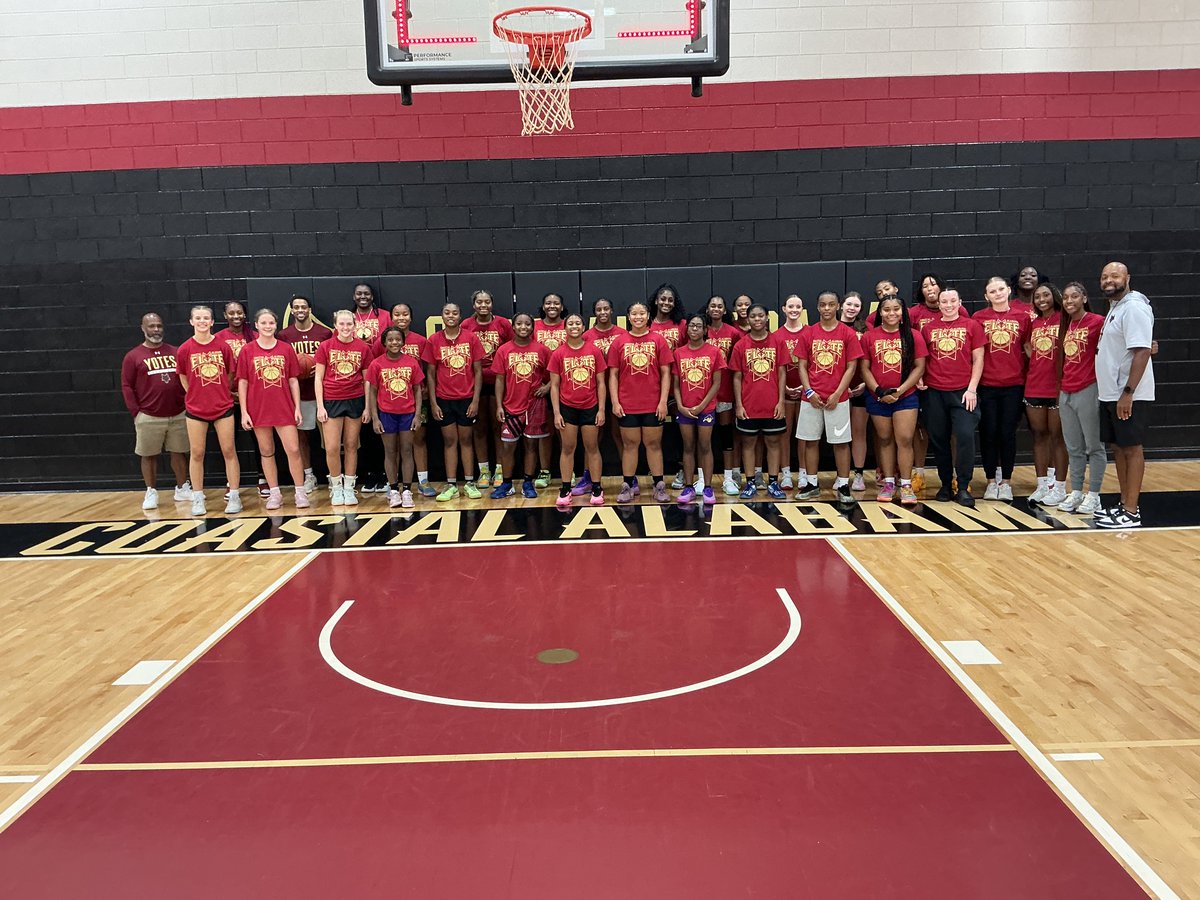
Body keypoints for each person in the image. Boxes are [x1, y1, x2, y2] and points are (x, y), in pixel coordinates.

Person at [1094, 262, 1155, 529]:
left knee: (1131, 449)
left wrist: (1128, 393)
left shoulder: (1134, 307)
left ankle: (1131, 510)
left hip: (1128, 394)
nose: (1109, 280)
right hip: (1110, 393)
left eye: (1115, 275)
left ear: (1127, 277)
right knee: (1118, 448)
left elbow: (1141, 351)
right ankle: (1123, 505)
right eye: (1105, 276)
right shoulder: (1115, 309)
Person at [795, 291, 865, 507]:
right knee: (810, 441)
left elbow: (852, 366)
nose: (826, 308)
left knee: (841, 443)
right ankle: (812, 484)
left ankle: (843, 485)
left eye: (831, 304)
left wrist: (837, 393)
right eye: (822, 304)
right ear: (817, 307)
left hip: (838, 398)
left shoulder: (847, 333)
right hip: (811, 399)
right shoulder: (808, 333)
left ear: (838, 307)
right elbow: (802, 366)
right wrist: (809, 392)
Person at [236, 308, 308, 511]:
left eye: (271, 323)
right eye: (264, 323)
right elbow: (243, 382)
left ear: (276, 326)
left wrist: (297, 408)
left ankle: (300, 492)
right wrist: (244, 411)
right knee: (267, 451)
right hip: (258, 408)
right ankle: (274, 493)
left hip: (284, 407)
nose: (268, 326)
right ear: (256, 325)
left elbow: (293, 380)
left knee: (293, 450)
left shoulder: (286, 349)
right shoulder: (247, 350)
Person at [920, 289, 985, 507]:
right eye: (944, 302)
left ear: (960, 302)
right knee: (939, 439)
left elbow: (978, 359)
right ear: (938, 305)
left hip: (963, 392)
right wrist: (920, 378)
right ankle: (945, 483)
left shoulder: (972, 325)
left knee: (965, 436)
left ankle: (964, 485)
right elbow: (923, 360)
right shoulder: (928, 328)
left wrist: (972, 389)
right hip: (935, 392)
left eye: (952, 301)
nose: (948, 305)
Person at [860, 296, 928, 504]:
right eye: (886, 309)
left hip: (905, 396)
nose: (891, 313)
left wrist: (899, 391)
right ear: (880, 313)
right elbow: (864, 368)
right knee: (885, 439)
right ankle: (889, 482)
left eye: (896, 309)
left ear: (902, 312)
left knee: (905, 439)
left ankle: (906, 484)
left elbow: (919, 367)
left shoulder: (913, 336)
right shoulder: (869, 337)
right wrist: (880, 391)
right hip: (877, 397)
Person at [121, 312, 190, 510]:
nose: (156, 330)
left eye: (159, 326)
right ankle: (151, 491)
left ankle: (182, 487)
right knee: (149, 455)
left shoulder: (176, 352)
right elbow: (127, 386)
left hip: (177, 412)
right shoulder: (133, 356)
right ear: (143, 328)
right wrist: (136, 412)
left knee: (179, 452)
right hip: (149, 415)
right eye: (151, 326)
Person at [176, 305, 241, 515]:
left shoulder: (223, 347)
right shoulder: (185, 349)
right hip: (196, 408)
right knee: (197, 453)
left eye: (206, 318)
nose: (202, 321)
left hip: (222, 405)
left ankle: (234, 495)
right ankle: (197, 497)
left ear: (212, 322)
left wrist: (220, 390)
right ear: (191, 322)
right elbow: (183, 377)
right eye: (198, 318)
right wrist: (195, 393)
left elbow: (230, 375)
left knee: (229, 451)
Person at [973, 276, 1032, 502]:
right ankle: (990, 481)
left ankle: (1006, 481)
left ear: (1008, 291)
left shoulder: (1022, 317)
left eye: (1000, 289)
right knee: (988, 433)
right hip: (987, 385)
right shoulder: (978, 318)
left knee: (1007, 434)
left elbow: (1028, 348)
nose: (997, 293)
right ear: (986, 296)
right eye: (992, 291)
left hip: (1014, 384)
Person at [608, 301, 674, 504]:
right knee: (630, 445)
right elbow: (613, 375)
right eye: (634, 313)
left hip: (653, 403)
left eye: (642, 313)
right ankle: (628, 485)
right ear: (628, 317)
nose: (638, 317)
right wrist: (615, 401)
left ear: (648, 316)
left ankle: (659, 486)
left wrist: (663, 401)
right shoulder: (619, 342)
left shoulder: (658, 340)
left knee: (653, 444)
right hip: (627, 404)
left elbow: (665, 373)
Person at [423, 302, 486, 502]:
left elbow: (478, 371)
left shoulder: (471, 338)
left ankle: (469, 482)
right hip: (444, 399)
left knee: (467, 440)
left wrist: (475, 400)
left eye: (455, 313)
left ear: (460, 316)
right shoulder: (434, 340)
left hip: (467, 398)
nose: (451, 316)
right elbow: (430, 375)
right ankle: (451, 484)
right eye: (447, 312)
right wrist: (433, 403)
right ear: (442, 316)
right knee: (450, 441)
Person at [1055, 282, 1106, 515]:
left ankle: (1094, 495)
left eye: (1074, 296)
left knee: (1094, 446)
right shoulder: (1065, 325)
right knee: (1073, 447)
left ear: (1084, 298)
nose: (1069, 301)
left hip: (1089, 388)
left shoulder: (1097, 322)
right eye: (1065, 298)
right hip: (1066, 390)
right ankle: (1076, 491)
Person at [314, 310, 374, 506]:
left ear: (354, 325)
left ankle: (349, 488)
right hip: (332, 400)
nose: (346, 328)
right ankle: (336, 487)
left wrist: (367, 407)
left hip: (355, 399)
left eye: (349, 324)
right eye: (342, 324)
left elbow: (367, 380)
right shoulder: (325, 346)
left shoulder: (363, 348)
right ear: (335, 325)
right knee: (331, 448)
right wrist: (320, 406)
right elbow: (318, 378)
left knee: (351, 446)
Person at [550, 314, 608, 508]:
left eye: (577, 323)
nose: (574, 326)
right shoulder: (558, 353)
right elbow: (555, 386)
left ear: (584, 327)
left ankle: (597, 487)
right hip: (567, 407)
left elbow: (601, 383)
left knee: (592, 447)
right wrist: (557, 413)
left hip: (590, 406)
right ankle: (566, 488)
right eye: (570, 324)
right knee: (567, 448)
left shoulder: (594, 351)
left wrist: (601, 409)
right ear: (564, 328)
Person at [730, 303, 787, 500]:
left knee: (773, 443)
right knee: (748, 443)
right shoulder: (740, 345)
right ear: (748, 319)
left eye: (760, 316)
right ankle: (750, 483)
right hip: (748, 404)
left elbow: (781, 373)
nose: (756, 319)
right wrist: (739, 404)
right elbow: (736, 377)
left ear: (767, 318)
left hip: (772, 404)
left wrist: (781, 401)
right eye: (753, 316)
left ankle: (773, 482)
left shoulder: (777, 342)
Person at [493, 312, 552, 500]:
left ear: (533, 328)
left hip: (535, 405)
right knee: (508, 447)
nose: (523, 327)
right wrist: (499, 405)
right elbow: (500, 380)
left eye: (527, 324)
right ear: (513, 326)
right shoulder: (504, 350)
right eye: (519, 324)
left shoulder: (542, 350)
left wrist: (546, 387)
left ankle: (528, 482)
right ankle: (507, 483)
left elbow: (555, 376)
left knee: (531, 446)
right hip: (511, 406)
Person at [366, 325, 425, 509]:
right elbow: (373, 392)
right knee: (390, 452)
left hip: (407, 413)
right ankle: (393, 490)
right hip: (386, 413)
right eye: (390, 340)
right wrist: (375, 417)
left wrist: (417, 414)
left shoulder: (411, 362)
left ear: (403, 342)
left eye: (398, 339)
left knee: (407, 450)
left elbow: (417, 390)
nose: (394, 342)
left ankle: (407, 490)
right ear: (384, 342)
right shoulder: (377, 364)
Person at [278, 294, 332, 494]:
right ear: (291, 310)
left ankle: (334, 476)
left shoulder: (324, 333)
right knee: (302, 438)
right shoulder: (284, 335)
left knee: (331, 439)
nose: (300, 310)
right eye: (296, 307)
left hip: (324, 391)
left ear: (310, 310)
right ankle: (309, 475)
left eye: (304, 307)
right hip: (300, 394)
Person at [461, 289, 514, 489]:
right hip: (475, 384)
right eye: (479, 302)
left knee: (499, 426)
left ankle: (500, 468)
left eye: (487, 302)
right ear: (473, 305)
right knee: (479, 427)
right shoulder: (466, 325)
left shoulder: (502, 324)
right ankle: (484, 470)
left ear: (492, 303)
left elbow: (511, 349)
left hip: (499, 381)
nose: (483, 305)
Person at [214, 299, 265, 498]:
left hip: (253, 396)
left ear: (245, 315)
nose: (236, 316)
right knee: (229, 442)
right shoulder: (218, 339)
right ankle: (231, 481)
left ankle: (263, 478)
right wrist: (229, 392)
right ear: (225, 315)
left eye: (239, 313)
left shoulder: (254, 337)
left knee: (259, 440)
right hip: (226, 396)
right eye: (231, 313)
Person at [673, 314, 725, 505]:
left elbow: (717, 383)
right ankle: (688, 486)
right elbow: (676, 384)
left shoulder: (714, 352)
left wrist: (702, 405)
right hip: (685, 408)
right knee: (688, 447)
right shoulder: (679, 353)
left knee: (705, 446)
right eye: (691, 326)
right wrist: (680, 405)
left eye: (698, 326)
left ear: (705, 330)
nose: (694, 329)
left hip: (706, 408)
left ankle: (708, 487)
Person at [1025, 283, 1068, 505]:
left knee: (1057, 436)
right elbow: (1025, 344)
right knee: (1039, 435)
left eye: (1046, 295)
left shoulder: (1064, 319)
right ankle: (1042, 484)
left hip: (1058, 386)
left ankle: (1058, 486)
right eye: (1038, 296)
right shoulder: (1034, 323)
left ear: (1055, 296)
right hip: (1034, 385)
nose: (1042, 299)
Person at [388, 302, 436, 497]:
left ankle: (423, 481)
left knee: (418, 438)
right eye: (397, 314)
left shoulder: (420, 341)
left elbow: (428, 369)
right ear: (391, 317)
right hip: (391, 400)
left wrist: (424, 389)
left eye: (405, 314)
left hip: (416, 399)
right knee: (395, 443)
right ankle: (395, 484)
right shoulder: (386, 341)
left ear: (411, 317)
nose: (401, 318)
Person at [348, 283, 391, 493]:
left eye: (366, 293)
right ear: (354, 297)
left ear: (372, 296)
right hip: (357, 378)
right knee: (364, 431)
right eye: (359, 293)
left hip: (383, 377)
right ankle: (370, 474)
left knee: (380, 428)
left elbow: (391, 340)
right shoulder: (348, 317)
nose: (363, 296)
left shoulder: (383, 316)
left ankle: (384, 474)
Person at [910, 272, 947, 494]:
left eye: (934, 283)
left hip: (948, 379)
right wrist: (917, 373)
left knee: (950, 430)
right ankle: (919, 472)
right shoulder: (914, 314)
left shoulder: (955, 310)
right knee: (920, 429)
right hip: (921, 379)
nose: (930, 288)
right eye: (925, 285)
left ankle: (951, 475)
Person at [705, 295, 744, 494]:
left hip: (726, 391)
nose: (716, 309)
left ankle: (729, 478)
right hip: (703, 392)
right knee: (703, 439)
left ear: (725, 310)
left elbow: (738, 366)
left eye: (720, 306)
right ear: (707, 309)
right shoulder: (701, 332)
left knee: (726, 435)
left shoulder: (734, 334)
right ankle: (702, 479)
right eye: (713, 305)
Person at [533, 293, 568, 488]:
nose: (552, 306)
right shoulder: (534, 326)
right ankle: (545, 471)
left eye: (556, 302)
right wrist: (543, 386)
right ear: (543, 306)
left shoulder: (568, 325)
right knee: (545, 431)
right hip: (539, 388)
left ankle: (567, 472)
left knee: (565, 431)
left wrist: (551, 385)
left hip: (566, 386)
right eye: (548, 303)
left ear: (562, 307)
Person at [838, 292, 871, 491]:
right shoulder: (832, 327)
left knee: (858, 433)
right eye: (849, 304)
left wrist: (866, 384)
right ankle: (840, 476)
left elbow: (873, 361)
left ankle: (858, 475)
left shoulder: (866, 330)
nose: (852, 308)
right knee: (839, 436)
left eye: (856, 306)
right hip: (838, 389)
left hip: (860, 387)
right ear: (841, 305)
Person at [776, 294, 807, 491]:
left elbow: (814, 365)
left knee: (804, 435)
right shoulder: (777, 335)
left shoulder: (809, 333)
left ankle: (804, 473)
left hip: (806, 393)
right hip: (785, 393)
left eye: (798, 306)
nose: (794, 310)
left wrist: (806, 386)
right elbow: (775, 368)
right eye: (791, 306)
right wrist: (785, 388)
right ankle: (786, 474)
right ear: (784, 309)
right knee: (784, 435)